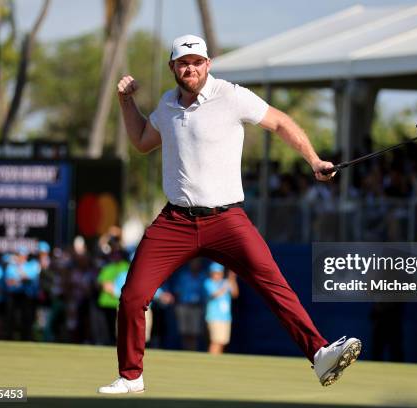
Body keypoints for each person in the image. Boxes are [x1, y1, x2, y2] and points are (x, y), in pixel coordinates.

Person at [98, 34, 361, 394]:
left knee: (274, 286)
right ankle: (131, 376)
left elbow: (281, 122)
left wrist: (313, 160)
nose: (190, 67)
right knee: (132, 295)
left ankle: (320, 354)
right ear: (173, 67)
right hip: (175, 220)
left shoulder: (232, 95)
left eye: (197, 61)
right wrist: (125, 101)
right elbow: (143, 141)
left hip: (226, 220)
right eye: (183, 62)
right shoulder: (167, 104)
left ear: (208, 64)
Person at [204, 262, 238, 355]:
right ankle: (210, 362)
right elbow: (214, 294)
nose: (217, 275)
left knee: (222, 342)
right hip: (214, 317)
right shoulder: (208, 282)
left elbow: (235, 294)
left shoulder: (225, 282)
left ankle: (216, 362)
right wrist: (226, 285)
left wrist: (232, 279)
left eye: (219, 273)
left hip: (225, 317)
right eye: (215, 273)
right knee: (215, 341)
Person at [173, 258, 207, 351]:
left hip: (197, 307)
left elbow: (205, 293)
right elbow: (177, 291)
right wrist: (177, 306)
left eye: (197, 263)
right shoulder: (183, 276)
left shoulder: (203, 276)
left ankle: (192, 352)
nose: (195, 265)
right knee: (184, 332)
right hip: (184, 306)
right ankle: (185, 351)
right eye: (193, 263)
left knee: (194, 333)